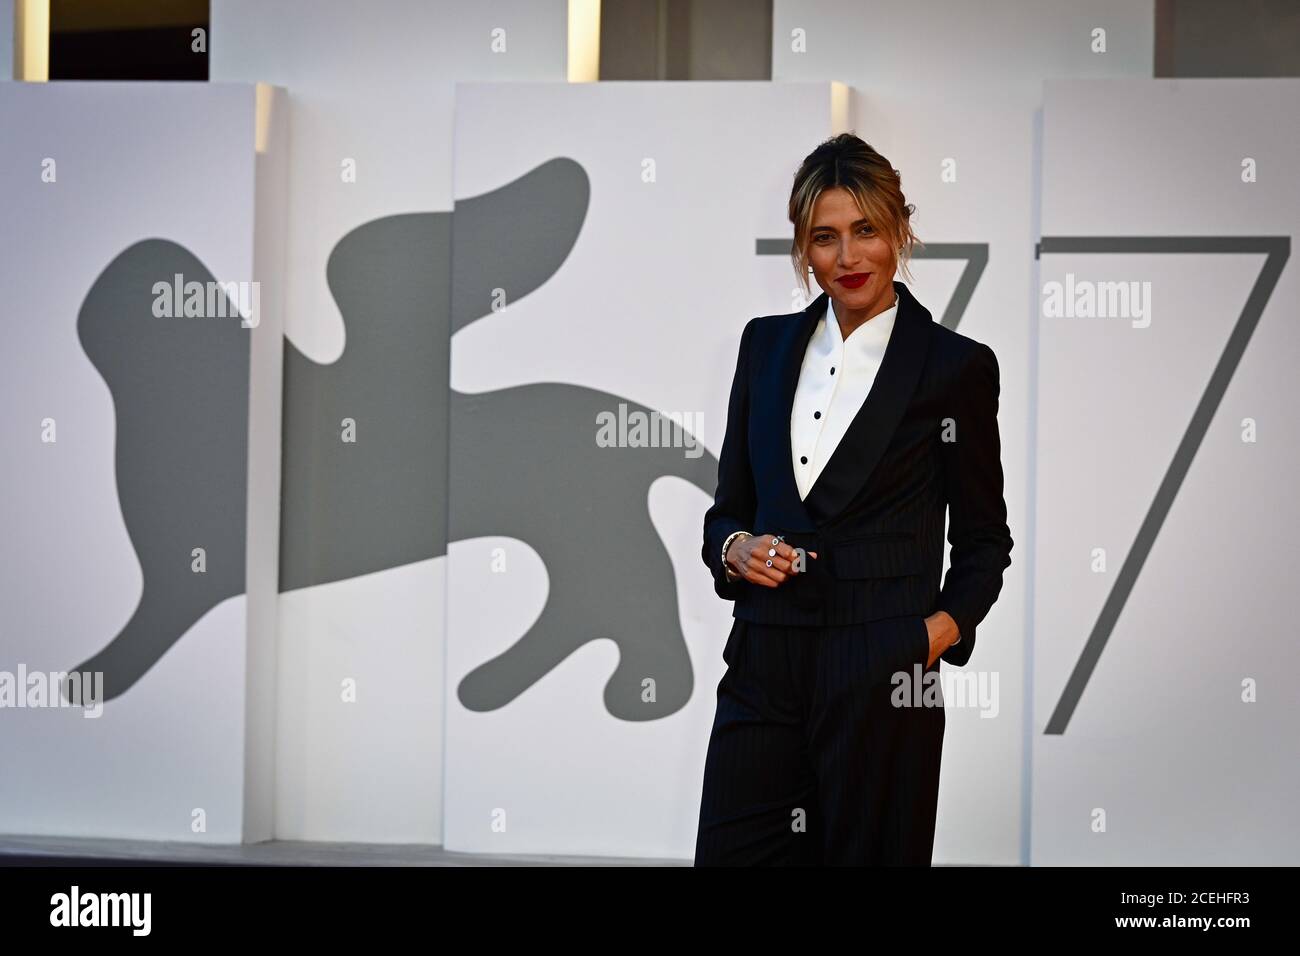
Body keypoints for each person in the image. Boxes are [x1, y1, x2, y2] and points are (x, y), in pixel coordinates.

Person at [694, 133, 1013, 865]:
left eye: (866, 230)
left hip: (884, 673)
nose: (848, 258)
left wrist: (928, 638)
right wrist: (735, 549)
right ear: (802, 248)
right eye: (825, 237)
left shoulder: (954, 368)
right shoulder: (763, 347)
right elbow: (728, 508)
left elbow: (984, 541)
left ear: (900, 229)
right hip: (763, 660)